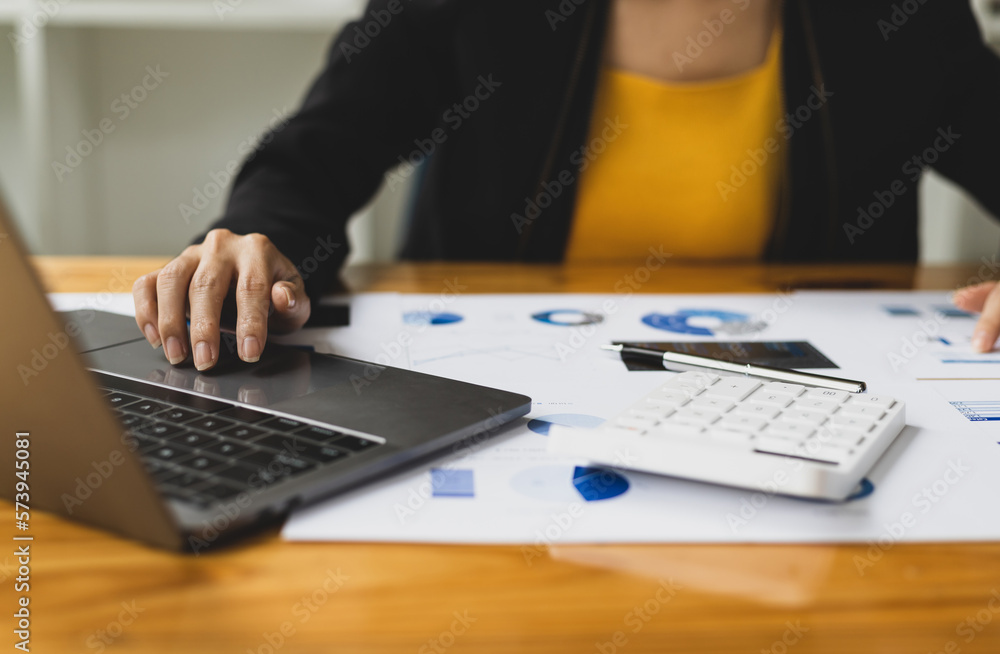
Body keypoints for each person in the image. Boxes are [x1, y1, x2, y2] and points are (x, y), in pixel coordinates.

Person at [132, 0, 1000, 371]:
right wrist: (254, 239)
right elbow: (318, 152)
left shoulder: (901, 15)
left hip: (800, 416)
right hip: (499, 395)